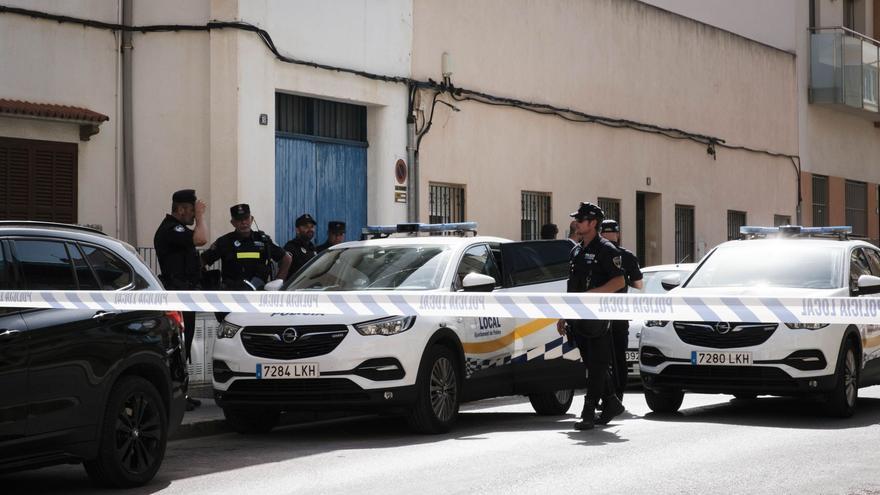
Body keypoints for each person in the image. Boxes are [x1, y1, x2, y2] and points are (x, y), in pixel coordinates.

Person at [556, 202, 626, 430]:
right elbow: (572, 287)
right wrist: (564, 315)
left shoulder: (607, 250)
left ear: (593, 223)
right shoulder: (576, 250)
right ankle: (612, 402)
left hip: (598, 318)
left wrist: (593, 295)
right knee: (592, 363)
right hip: (578, 318)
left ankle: (588, 411)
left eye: (582, 220)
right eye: (577, 219)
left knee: (596, 365)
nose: (577, 223)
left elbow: (619, 281)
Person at [153, 189, 207, 411]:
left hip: (185, 296)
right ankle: (175, 397)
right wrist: (202, 217)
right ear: (182, 209)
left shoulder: (179, 230)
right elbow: (202, 238)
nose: (195, 216)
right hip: (177, 296)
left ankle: (181, 394)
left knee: (183, 348)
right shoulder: (171, 229)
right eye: (193, 212)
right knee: (177, 347)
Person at [599, 219, 644, 400]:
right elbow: (639, 284)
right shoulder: (627, 255)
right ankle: (617, 396)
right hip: (618, 312)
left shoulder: (595, 253)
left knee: (600, 358)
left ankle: (604, 397)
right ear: (617, 234)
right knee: (619, 357)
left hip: (597, 313)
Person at [201, 203, 292, 292]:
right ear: (233, 223)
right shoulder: (224, 242)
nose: (244, 222)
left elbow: (286, 259)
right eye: (239, 219)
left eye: (246, 218)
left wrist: (278, 283)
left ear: (251, 219)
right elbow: (202, 261)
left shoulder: (263, 240)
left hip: (257, 294)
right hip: (231, 295)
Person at [284, 213, 317, 277]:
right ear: (297, 230)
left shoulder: (312, 247)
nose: (310, 229)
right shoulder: (291, 247)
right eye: (306, 227)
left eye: (312, 227)